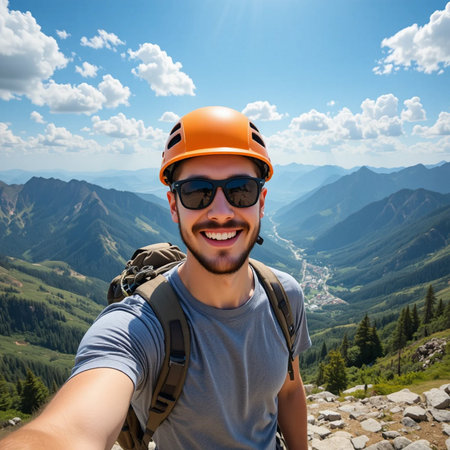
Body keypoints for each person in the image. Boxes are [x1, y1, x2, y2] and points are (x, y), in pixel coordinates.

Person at [0, 106, 311, 450]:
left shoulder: (285, 296)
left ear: (261, 202)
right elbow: (65, 432)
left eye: (241, 190)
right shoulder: (139, 328)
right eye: (197, 191)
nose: (221, 211)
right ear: (174, 205)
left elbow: (290, 389)